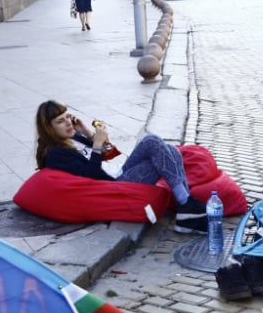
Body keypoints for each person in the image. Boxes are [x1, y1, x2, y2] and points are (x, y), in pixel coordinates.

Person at [34, 100, 207, 233]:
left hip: (117, 171)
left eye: (67, 117)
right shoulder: (56, 153)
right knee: (158, 146)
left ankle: (186, 208)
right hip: (112, 184)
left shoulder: (74, 138)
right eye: (60, 121)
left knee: (162, 146)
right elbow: (91, 176)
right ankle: (187, 205)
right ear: (49, 128)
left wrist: (87, 133)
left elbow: (108, 155)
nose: (68, 123)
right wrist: (97, 145)